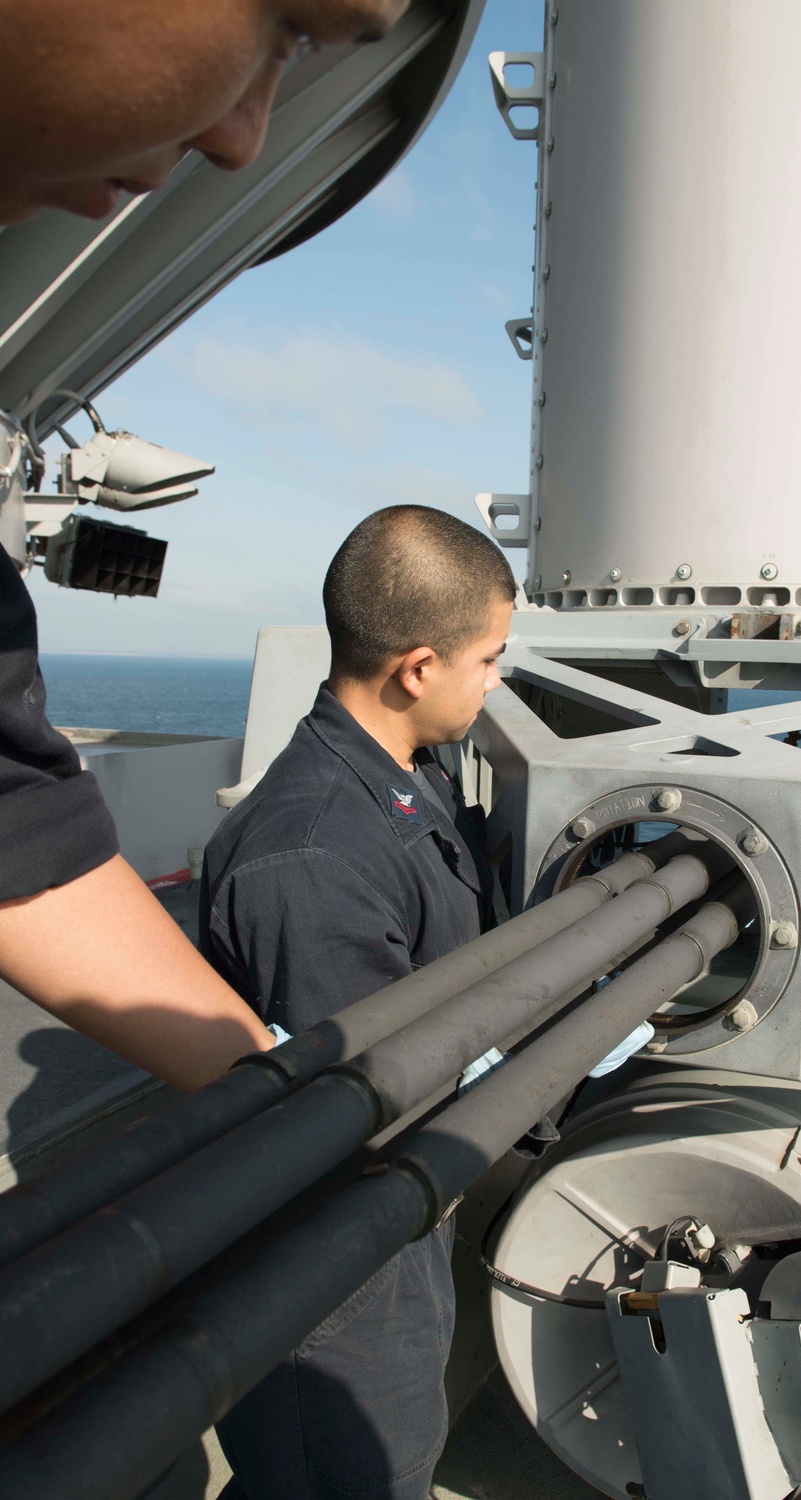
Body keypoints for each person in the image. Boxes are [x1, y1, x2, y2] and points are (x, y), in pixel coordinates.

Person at [0, 0, 410, 1088]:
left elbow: (15, 830)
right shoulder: (310, 846)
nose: (243, 138)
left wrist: (277, 1092)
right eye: (287, 31)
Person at [199, 505, 515, 1500]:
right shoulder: (315, 853)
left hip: (388, 1243)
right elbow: (370, 1102)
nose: (496, 683)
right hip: (329, 1283)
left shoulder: (405, 782)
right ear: (417, 668)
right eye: (489, 660)